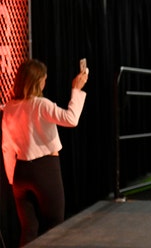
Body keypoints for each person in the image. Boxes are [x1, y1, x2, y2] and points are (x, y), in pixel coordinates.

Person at [2, 59, 88, 246]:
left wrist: (12, 179)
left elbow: (6, 146)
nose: (45, 82)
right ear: (36, 81)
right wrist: (77, 89)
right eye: (43, 79)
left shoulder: (9, 107)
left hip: (20, 173)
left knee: (29, 230)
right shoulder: (41, 105)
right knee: (55, 227)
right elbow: (71, 119)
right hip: (45, 171)